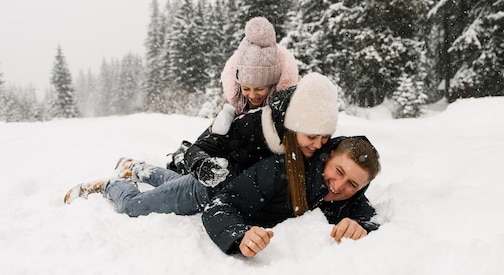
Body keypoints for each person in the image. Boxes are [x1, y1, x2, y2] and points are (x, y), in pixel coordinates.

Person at [64, 73, 339, 218]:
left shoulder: (309, 144)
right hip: (207, 189)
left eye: (324, 137)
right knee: (134, 207)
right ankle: (110, 186)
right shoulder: (253, 126)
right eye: (311, 136)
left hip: (223, 193)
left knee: (170, 182)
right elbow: (200, 147)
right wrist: (204, 167)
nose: (318, 144)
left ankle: (136, 167)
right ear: (293, 124)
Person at [203, 135, 382, 258]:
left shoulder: (353, 199)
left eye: (352, 184)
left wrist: (361, 227)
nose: (338, 186)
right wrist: (239, 236)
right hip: (205, 186)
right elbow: (220, 205)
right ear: (329, 156)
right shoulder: (280, 170)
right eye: (339, 171)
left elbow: (374, 221)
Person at [167, 16, 299, 173]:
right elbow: (212, 135)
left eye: (259, 89)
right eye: (246, 88)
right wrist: (197, 155)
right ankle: (181, 158)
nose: (252, 95)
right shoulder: (236, 100)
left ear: (272, 85)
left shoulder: (284, 105)